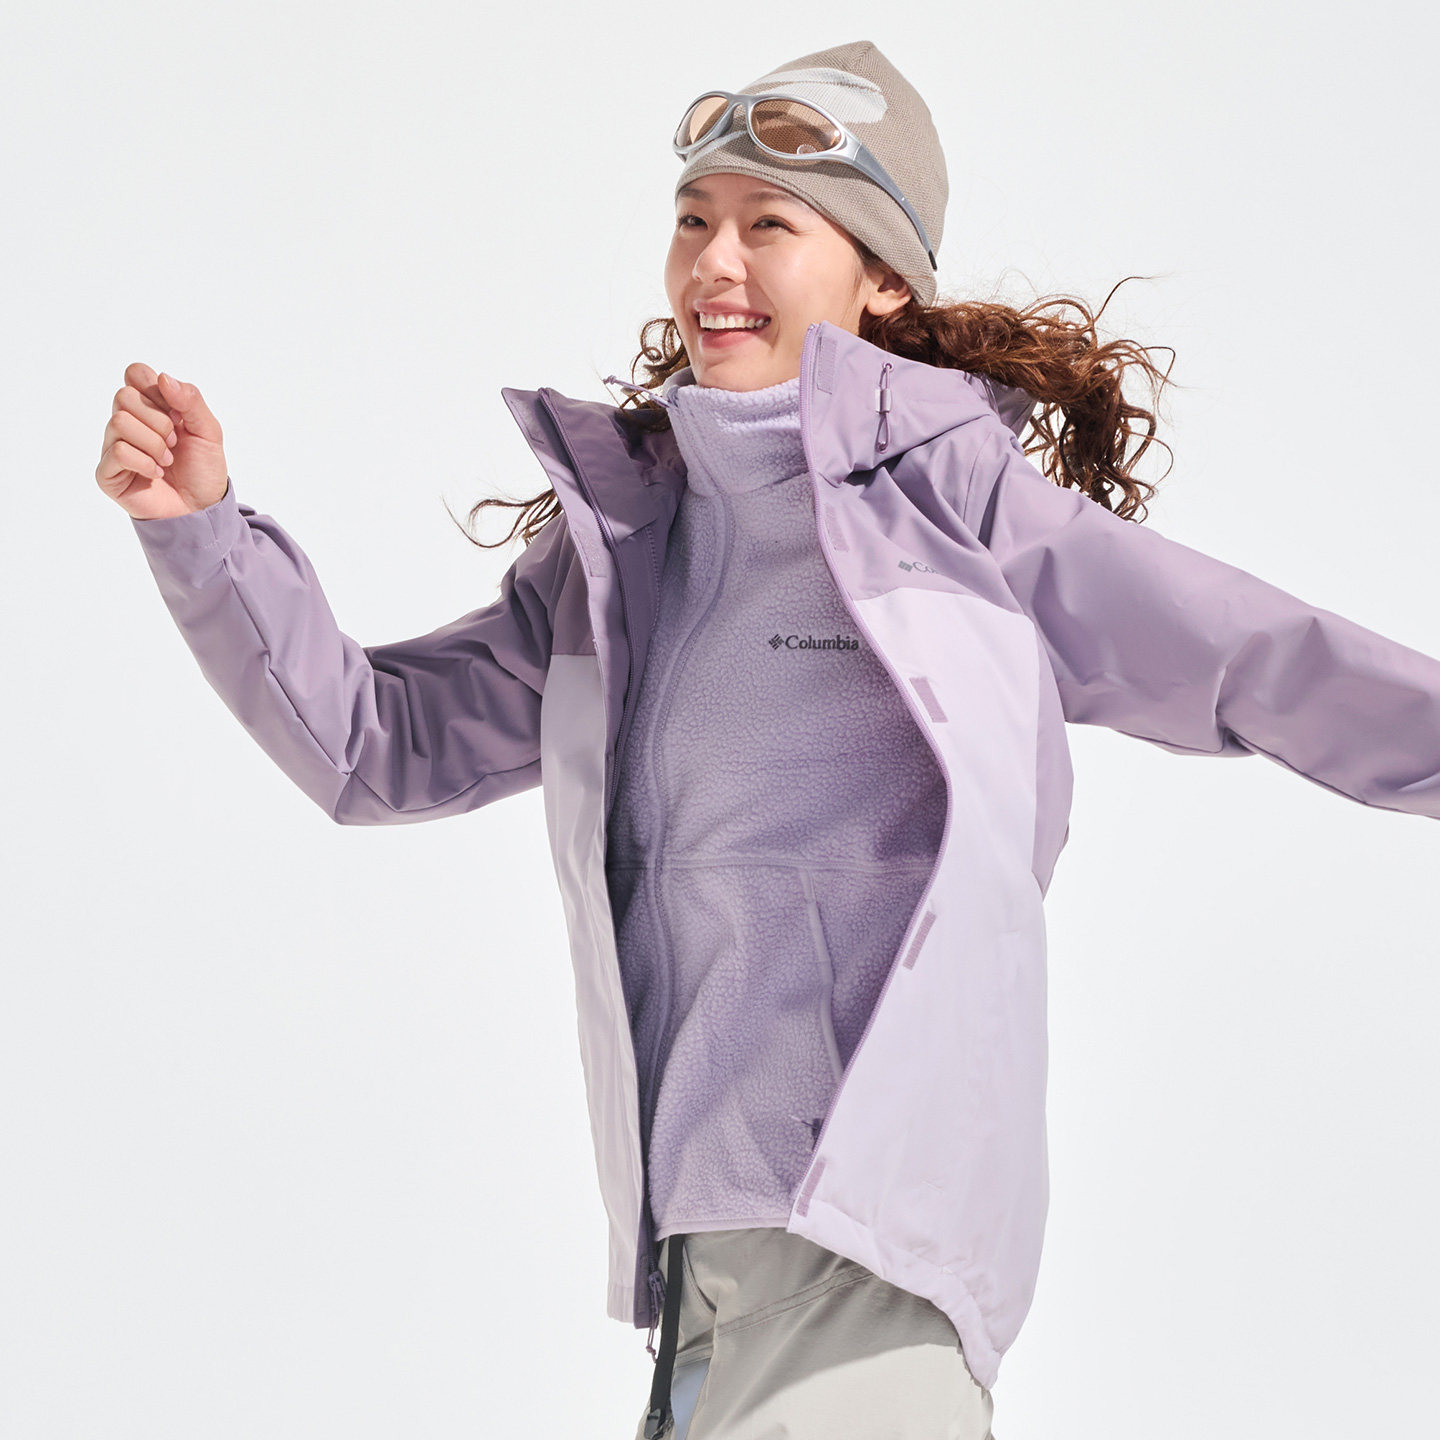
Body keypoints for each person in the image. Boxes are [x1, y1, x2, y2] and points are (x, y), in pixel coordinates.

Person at [96, 38, 1440, 1440]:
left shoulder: (962, 514)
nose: (713, 263)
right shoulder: (629, 553)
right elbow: (379, 746)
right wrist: (202, 538)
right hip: (698, 1272)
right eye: (693, 220)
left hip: (880, 1265)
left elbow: (1261, 660)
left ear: (882, 277)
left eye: (769, 225)